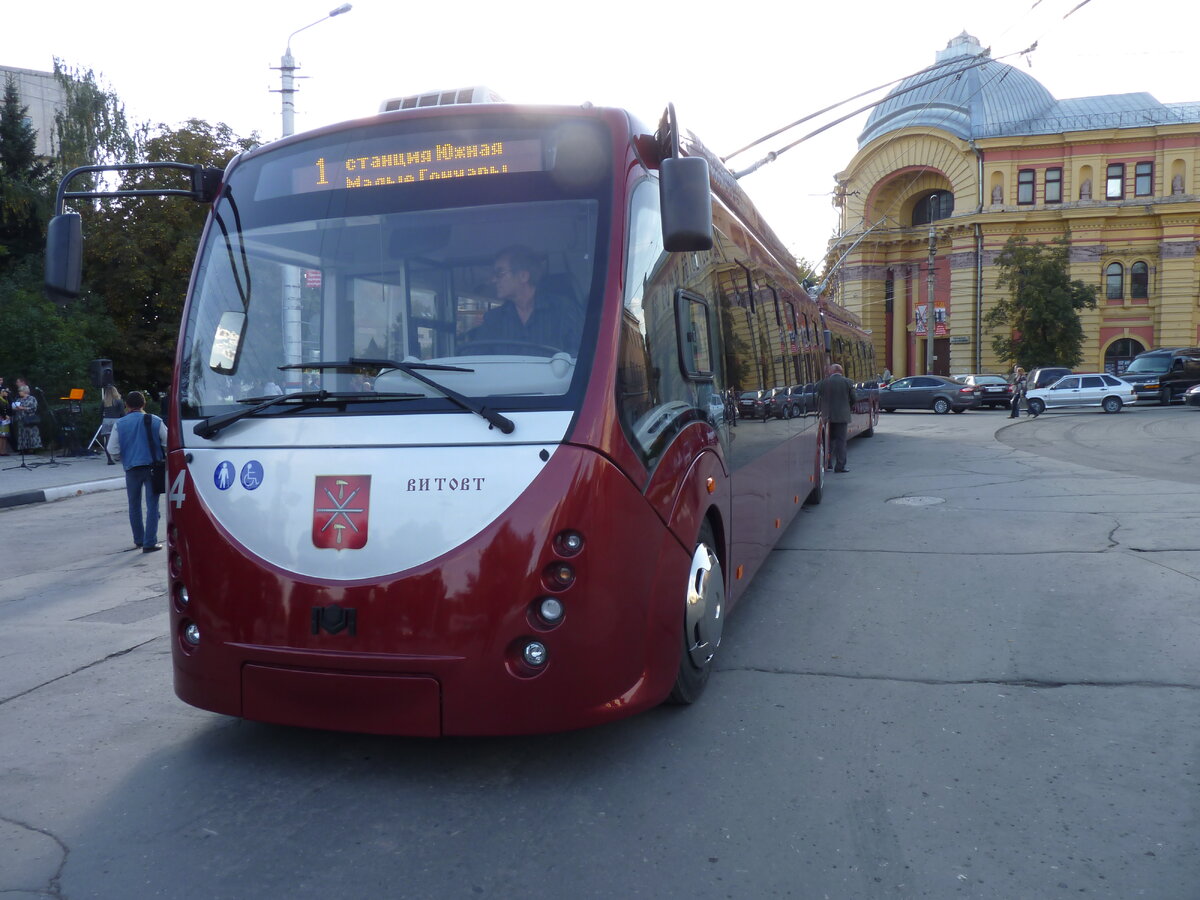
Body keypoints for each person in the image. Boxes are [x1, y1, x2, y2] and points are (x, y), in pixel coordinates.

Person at [467, 246, 582, 352]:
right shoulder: (492, 319)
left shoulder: (564, 311)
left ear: (523, 276)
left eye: (500, 273)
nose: (494, 280)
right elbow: (477, 359)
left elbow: (582, 359)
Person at [107, 391, 168, 553]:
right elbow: (168, 441)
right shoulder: (155, 420)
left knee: (134, 505)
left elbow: (112, 449)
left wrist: (123, 458)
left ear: (126, 405)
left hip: (131, 468)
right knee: (152, 505)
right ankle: (150, 542)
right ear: (144, 404)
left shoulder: (120, 424)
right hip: (153, 468)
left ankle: (139, 540)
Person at [817, 363, 857, 473]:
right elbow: (854, 398)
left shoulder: (823, 383)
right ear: (840, 371)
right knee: (841, 442)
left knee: (828, 441)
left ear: (832, 371)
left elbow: (817, 395)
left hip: (827, 416)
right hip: (842, 416)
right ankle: (840, 466)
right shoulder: (848, 382)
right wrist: (847, 407)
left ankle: (827, 463)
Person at [13, 385, 42, 453]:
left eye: (20, 391)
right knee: (22, 434)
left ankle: (32, 449)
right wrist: (15, 408)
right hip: (21, 419)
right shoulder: (19, 399)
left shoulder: (32, 398)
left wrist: (23, 408)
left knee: (31, 433)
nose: (19, 392)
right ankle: (24, 449)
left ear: (24, 391)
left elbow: (34, 408)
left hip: (29, 419)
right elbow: (16, 407)